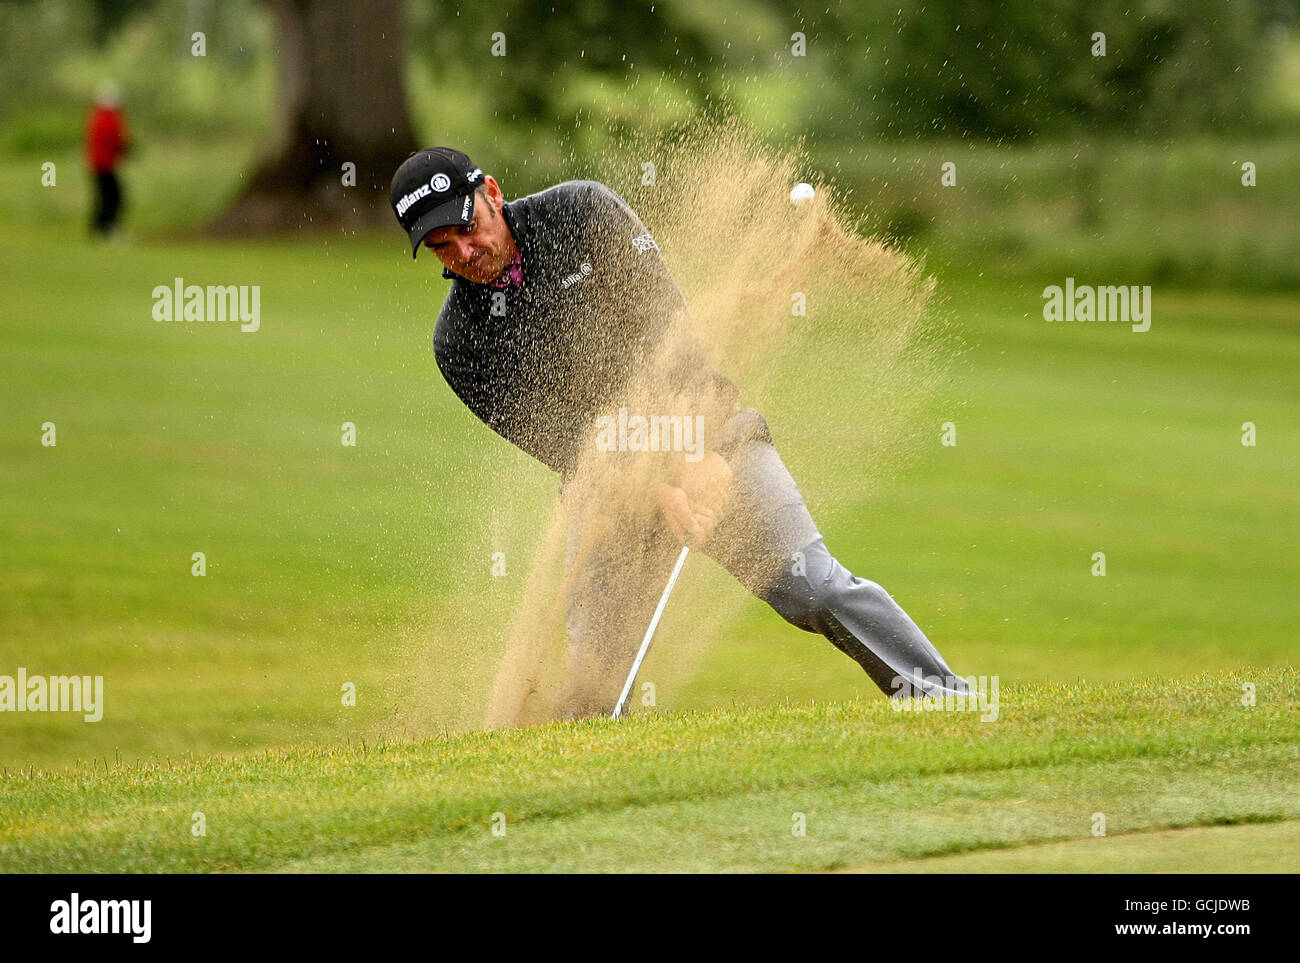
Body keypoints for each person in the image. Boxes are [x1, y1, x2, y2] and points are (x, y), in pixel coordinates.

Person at [390, 146, 970, 719]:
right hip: (614, 494)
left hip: (714, 439)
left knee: (816, 590)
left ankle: (947, 700)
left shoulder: (582, 213)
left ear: (490, 193)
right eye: (442, 245)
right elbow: (569, 448)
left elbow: (672, 335)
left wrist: (700, 454)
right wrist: (657, 491)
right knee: (596, 685)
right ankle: (583, 791)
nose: (464, 251)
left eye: (467, 227)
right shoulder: (460, 343)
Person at [85, 82, 130, 239]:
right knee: (113, 197)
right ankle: (106, 229)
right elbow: (115, 140)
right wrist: (125, 150)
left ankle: (99, 229)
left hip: (98, 163)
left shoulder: (96, 115)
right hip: (105, 164)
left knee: (105, 197)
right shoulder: (109, 118)